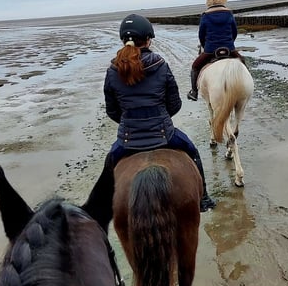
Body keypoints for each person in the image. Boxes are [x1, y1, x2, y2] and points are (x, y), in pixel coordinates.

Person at [82, 13, 216, 229]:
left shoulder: (112, 70)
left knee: (109, 167)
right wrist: (160, 119)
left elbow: (112, 110)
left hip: (127, 138)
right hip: (164, 134)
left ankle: (99, 214)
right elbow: (175, 104)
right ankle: (204, 199)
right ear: (148, 40)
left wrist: (129, 123)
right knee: (192, 151)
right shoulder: (160, 65)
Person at [187, 0, 245, 101]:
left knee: (195, 67)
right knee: (242, 61)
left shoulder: (205, 16)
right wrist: (230, 43)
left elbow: (201, 35)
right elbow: (234, 32)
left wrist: (205, 47)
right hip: (229, 49)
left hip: (210, 50)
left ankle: (194, 92)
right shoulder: (229, 14)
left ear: (209, 2)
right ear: (223, 0)